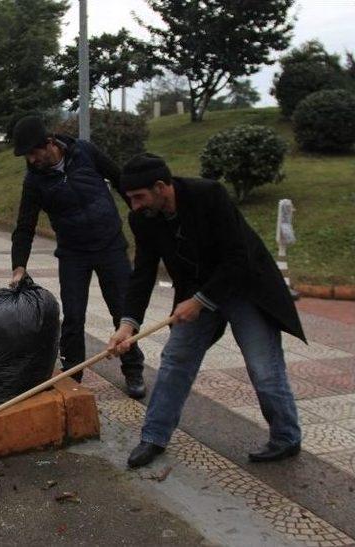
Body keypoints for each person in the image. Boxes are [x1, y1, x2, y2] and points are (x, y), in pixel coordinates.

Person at [108, 154, 304, 467]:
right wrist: (127, 326)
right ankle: (153, 437)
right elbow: (143, 273)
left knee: (263, 367)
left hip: (244, 287)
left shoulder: (208, 195)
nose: (134, 206)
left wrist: (200, 301)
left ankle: (286, 438)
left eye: (138, 197)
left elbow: (238, 257)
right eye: (130, 199)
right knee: (175, 360)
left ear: (161, 187)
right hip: (195, 292)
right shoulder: (143, 219)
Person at [10, 114, 146, 398]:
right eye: (27, 156)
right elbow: (25, 226)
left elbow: (120, 180)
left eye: (34, 152)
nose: (32, 160)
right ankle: (73, 374)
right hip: (73, 253)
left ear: (49, 143)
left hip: (110, 245)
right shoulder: (34, 181)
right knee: (73, 316)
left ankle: (133, 369)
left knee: (123, 312)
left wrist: (141, 211)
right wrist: (19, 267)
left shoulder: (84, 151)